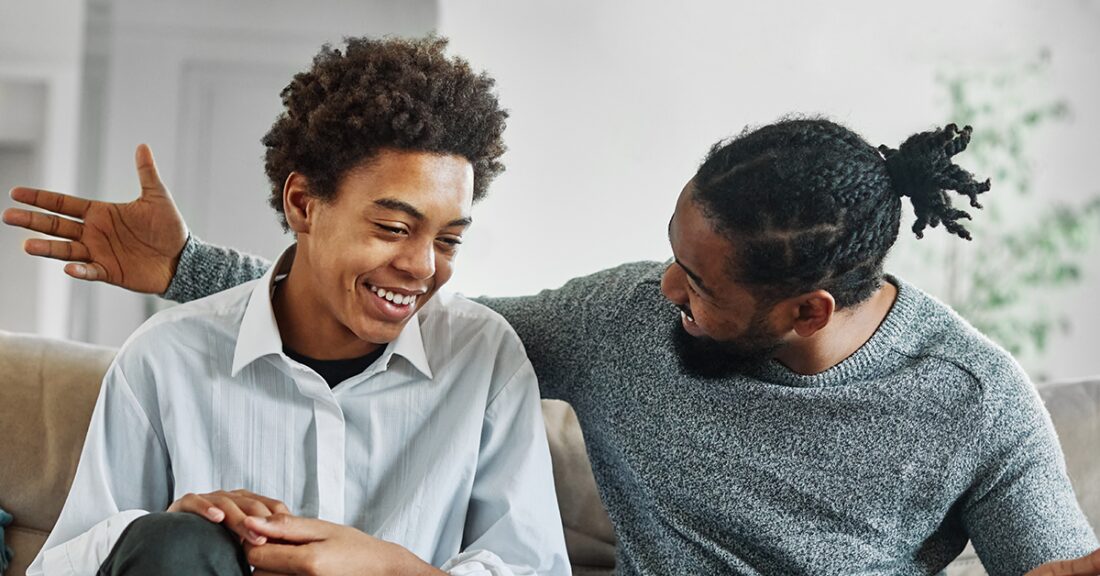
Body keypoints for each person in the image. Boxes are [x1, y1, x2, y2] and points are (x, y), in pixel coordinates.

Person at [6, 115, 1100, 574]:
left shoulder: (971, 400)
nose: (661, 286)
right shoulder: (623, 317)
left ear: (805, 310)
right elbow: (407, 322)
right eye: (670, 249)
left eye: (698, 284)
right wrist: (186, 271)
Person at [12, 36, 570, 576]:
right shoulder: (166, 356)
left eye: (448, 240)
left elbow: (530, 566)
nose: (424, 267)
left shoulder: (485, 357)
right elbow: (65, 564)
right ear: (303, 204)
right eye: (393, 227)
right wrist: (159, 539)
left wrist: (389, 569)